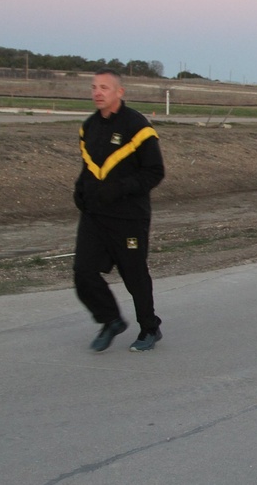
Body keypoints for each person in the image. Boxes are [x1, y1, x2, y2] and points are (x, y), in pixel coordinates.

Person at [73, 68, 165, 353]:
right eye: (94, 87)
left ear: (119, 92)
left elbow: (155, 172)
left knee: (134, 275)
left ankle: (150, 328)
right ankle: (110, 320)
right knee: (83, 272)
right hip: (95, 215)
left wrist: (121, 187)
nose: (97, 93)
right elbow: (89, 168)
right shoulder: (89, 126)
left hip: (129, 217)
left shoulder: (138, 126)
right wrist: (80, 189)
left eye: (104, 87)